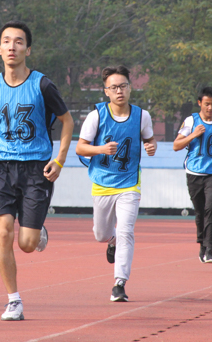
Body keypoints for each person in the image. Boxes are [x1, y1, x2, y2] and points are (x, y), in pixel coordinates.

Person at [0, 21, 74, 321]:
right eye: (6, 41)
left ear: (28, 49)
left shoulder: (43, 85)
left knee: (26, 244)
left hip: (36, 170)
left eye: (18, 41)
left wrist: (60, 160)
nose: (12, 47)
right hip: (1, 168)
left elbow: (67, 121)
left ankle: (37, 231)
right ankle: (13, 300)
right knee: (3, 231)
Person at [75, 65, 156, 302]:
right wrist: (101, 149)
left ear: (130, 88)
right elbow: (80, 148)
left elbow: (149, 140)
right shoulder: (97, 115)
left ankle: (119, 283)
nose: (119, 91)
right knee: (101, 234)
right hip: (102, 182)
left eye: (123, 86)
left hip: (130, 183)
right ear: (106, 91)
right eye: (114, 87)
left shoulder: (142, 116)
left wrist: (151, 146)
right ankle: (111, 241)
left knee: (126, 230)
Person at [173, 87, 212, 264]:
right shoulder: (191, 121)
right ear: (200, 103)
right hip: (194, 172)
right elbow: (176, 145)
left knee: (210, 208)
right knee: (199, 212)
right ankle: (202, 244)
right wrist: (193, 135)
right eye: (207, 104)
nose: (210, 108)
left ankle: (209, 250)